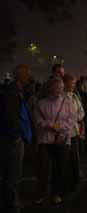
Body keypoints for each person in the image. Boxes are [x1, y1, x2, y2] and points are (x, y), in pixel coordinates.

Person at [34, 77, 73, 205]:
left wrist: (59, 127)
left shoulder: (67, 103)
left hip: (62, 141)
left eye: (61, 88)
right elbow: (37, 122)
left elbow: (71, 122)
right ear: (50, 88)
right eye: (56, 88)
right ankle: (41, 194)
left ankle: (56, 193)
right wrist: (51, 125)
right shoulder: (41, 103)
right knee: (43, 169)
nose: (59, 90)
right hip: (45, 141)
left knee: (59, 169)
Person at [0, 64, 32, 213]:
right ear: (20, 76)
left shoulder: (17, 91)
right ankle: (12, 205)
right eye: (26, 74)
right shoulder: (12, 93)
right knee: (13, 174)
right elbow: (11, 118)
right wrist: (17, 135)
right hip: (13, 140)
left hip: (14, 138)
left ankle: (11, 202)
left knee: (12, 174)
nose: (29, 77)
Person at [62, 74, 85, 191]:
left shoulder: (74, 97)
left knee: (75, 157)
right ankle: (65, 181)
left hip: (74, 132)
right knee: (65, 158)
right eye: (72, 83)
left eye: (74, 83)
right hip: (63, 133)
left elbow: (81, 113)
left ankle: (75, 178)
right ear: (65, 83)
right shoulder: (60, 97)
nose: (73, 85)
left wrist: (74, 118)